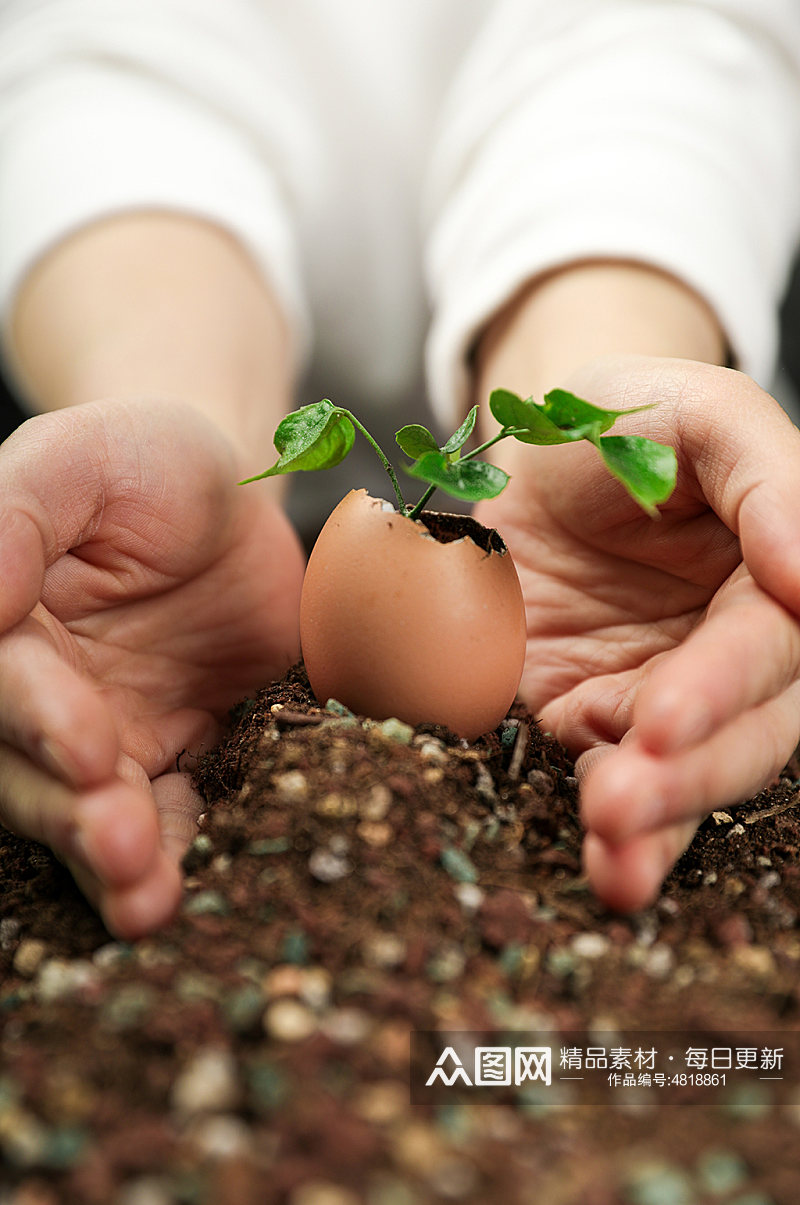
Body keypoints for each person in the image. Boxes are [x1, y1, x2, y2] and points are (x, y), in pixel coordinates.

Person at [1, 0, 800, 937]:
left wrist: (605, 364)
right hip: (231, 573)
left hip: (555, 515)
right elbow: (103, 49)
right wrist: (184, 426)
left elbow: (671, 33)